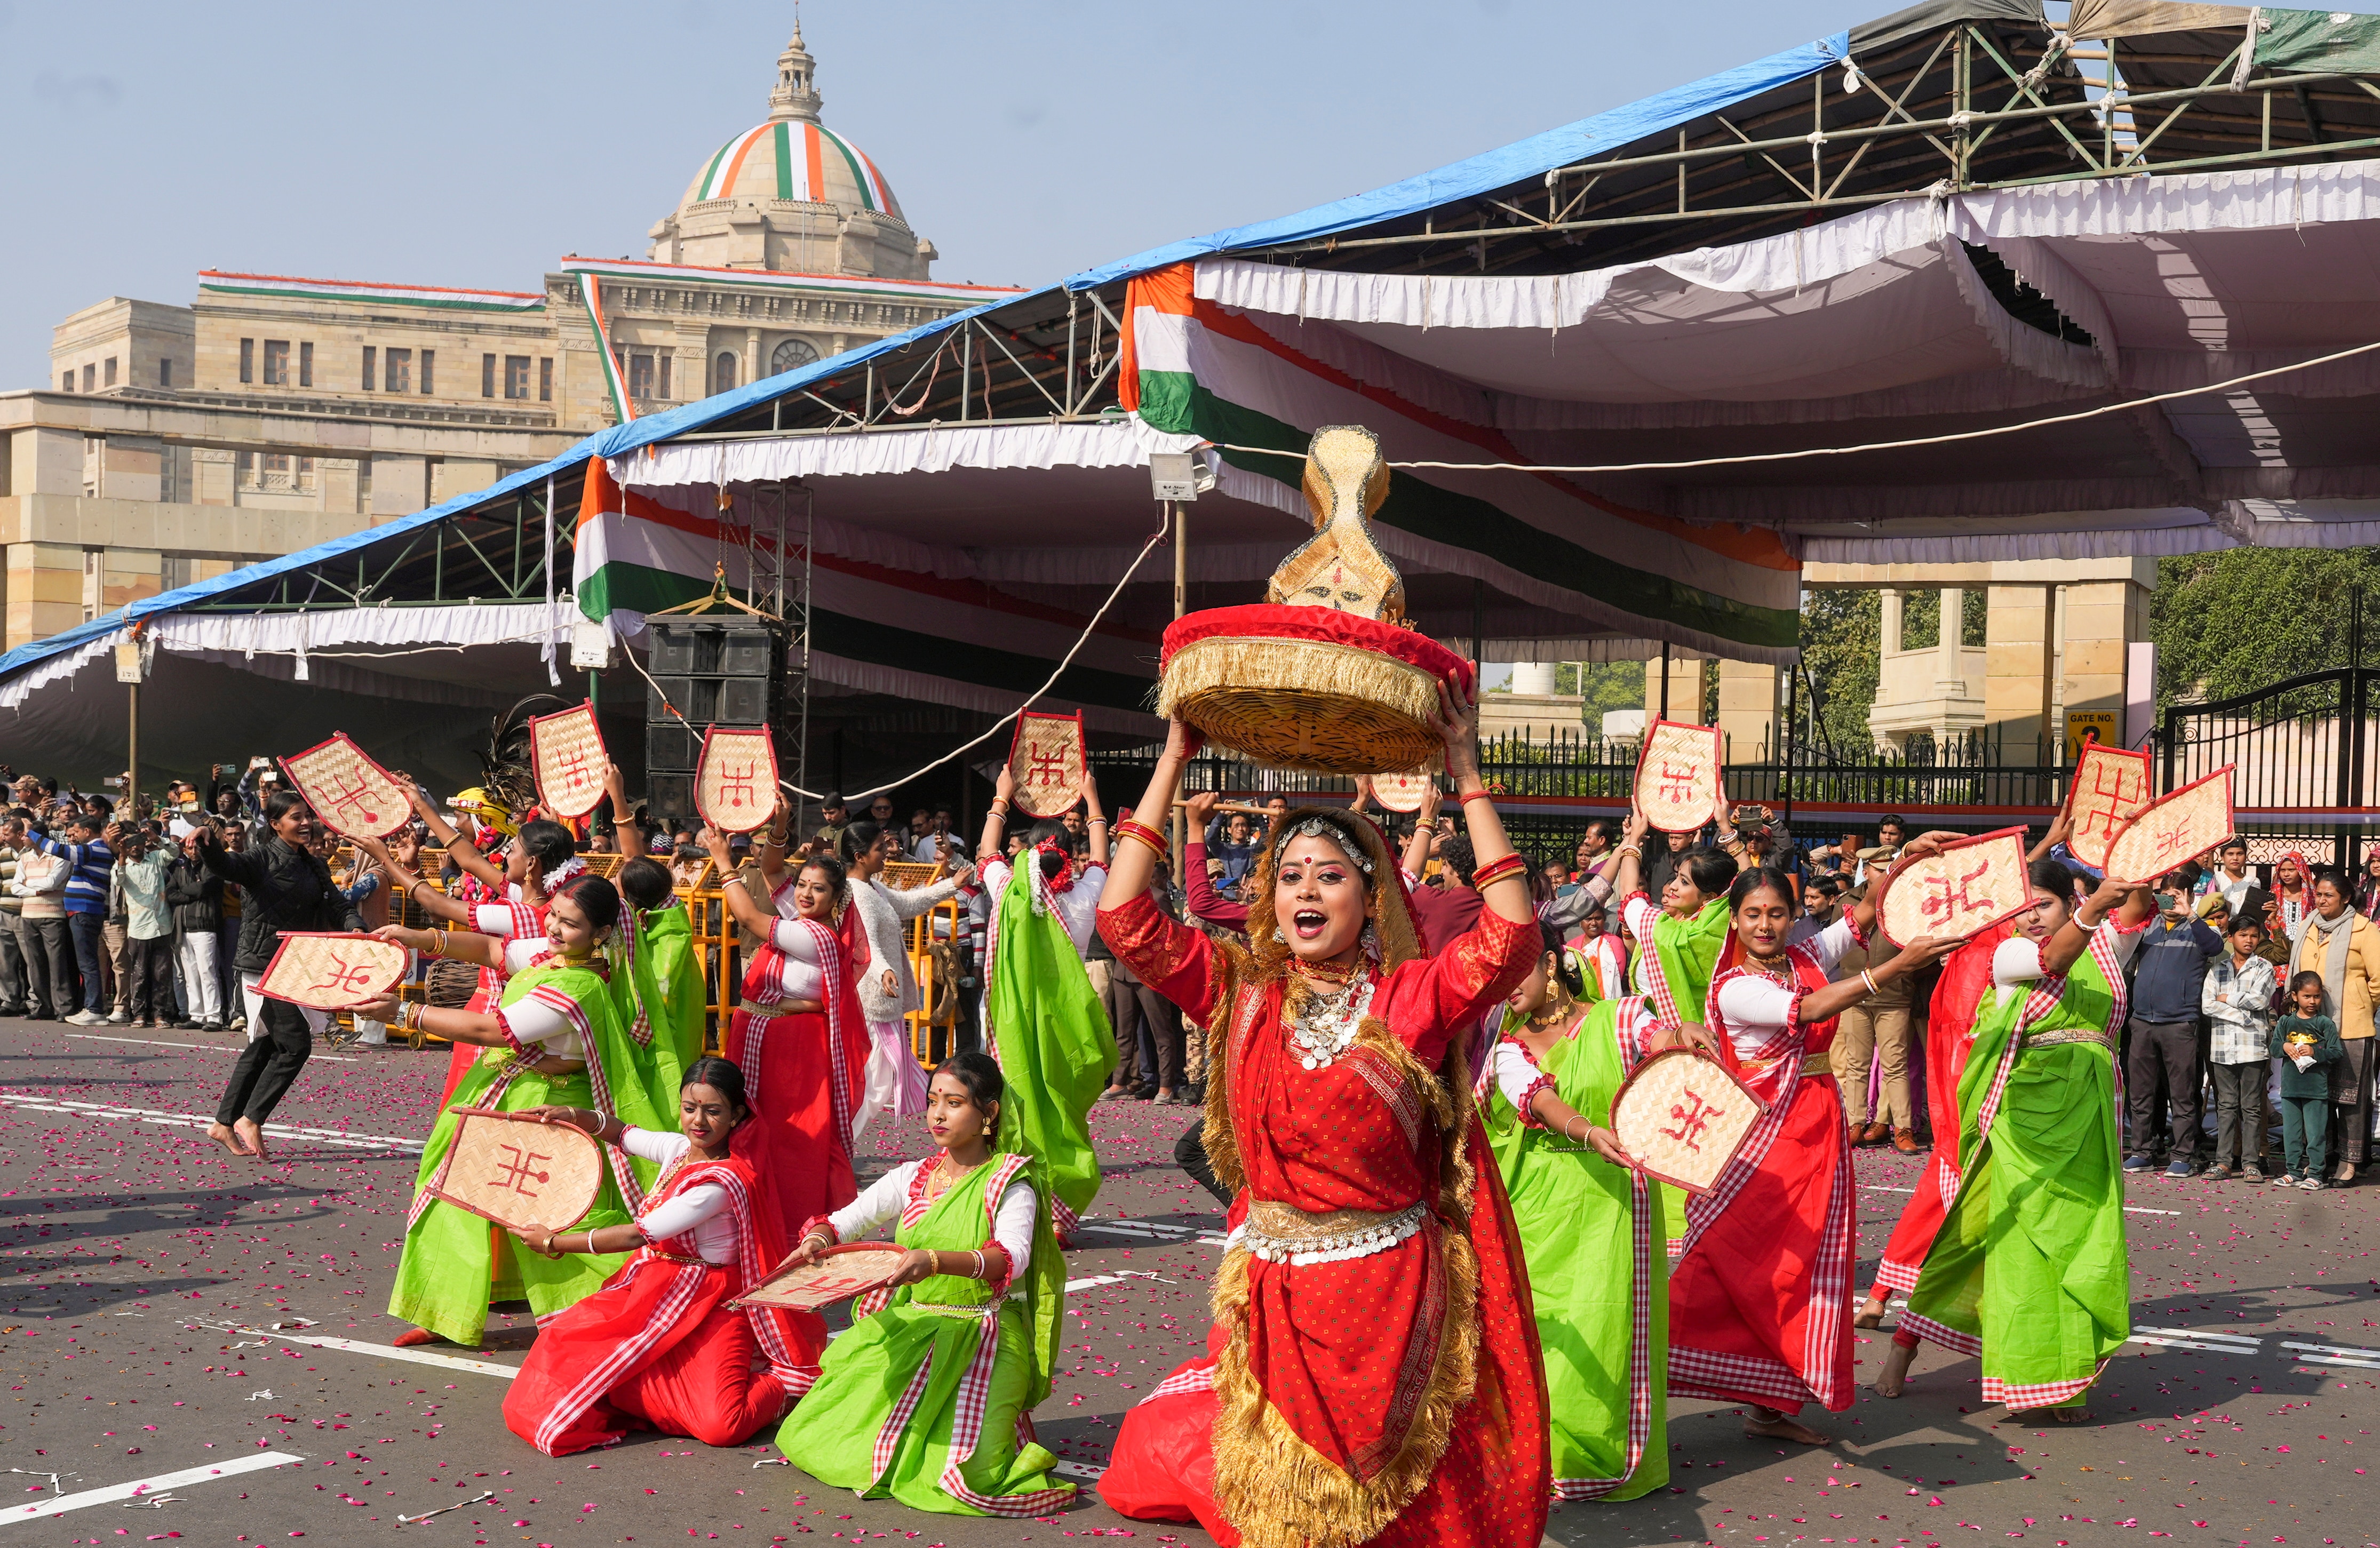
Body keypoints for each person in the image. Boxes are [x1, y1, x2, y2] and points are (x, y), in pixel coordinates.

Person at [1094, 689, 1551, 1548]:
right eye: (1291, 876)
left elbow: (1511, 940)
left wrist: (1466, 772)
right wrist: (1171, 762)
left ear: (1368, 896)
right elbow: (1124, 921)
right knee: (1282, 1503)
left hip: (1390, 1289)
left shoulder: (1407, 1000)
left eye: (1329, 875)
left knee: (1396, 1508)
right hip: (1275, 1288)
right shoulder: (1240, 994)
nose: (1306, 891)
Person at [1668, 857, 1956, 1445]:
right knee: (1759, 1265)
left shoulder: (1802, 958)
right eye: (1752, 914)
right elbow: (1811, 1010)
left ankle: (1769, 1403)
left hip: (1817, 1125)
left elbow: (1866, 914)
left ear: (1793, 915)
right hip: (1767, 1141)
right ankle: (1651, 1361)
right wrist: (1897, 966)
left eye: (1777, 913)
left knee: (1804, 1267)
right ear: (1734, 918)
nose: (1765, 924)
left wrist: (1908, 861)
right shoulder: (1735, 987)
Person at [1897, 864, 2155, 1422]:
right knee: (2005, 1242)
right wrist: (2091, 910)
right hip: (2023, 1118)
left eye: (2044, 904)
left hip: (2087, 1111)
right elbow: (2055, 959)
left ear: (2069, 902)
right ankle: (1904, 1345)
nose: (2031, 915)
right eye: (2023, 907)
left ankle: (2066, 1385)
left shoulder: (2107, 944)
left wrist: (2140, 860)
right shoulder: (2010, 956)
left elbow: (2134, 908)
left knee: (2081, 1241)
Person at [365, 874, 661, 1348]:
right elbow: (493, 952)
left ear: (602, 934)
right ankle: (443, 1311)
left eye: (571, 924)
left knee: (553, 1222)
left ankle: (627, 1304)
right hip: (512, 1095)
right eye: (555, 916)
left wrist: (402, 1014)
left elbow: (493, 1031)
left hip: (549, 1109)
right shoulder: (555, 957)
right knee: (454, 1197)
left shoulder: (579, 983)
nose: (556, 928)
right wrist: (417, 937)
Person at [773, 1050, 1071, 1516]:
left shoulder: (1009, 1181)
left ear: (989, 1113)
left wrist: (934, 1262)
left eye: (954, 1102)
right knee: (818, 1436)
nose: (937, 1114)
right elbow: (850, 1219)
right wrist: (817, 1238)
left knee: (971, 1476)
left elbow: (1011, 1257)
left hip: (983, 1335)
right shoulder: (915, 1176)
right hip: (914, 1325)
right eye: (933, 1100)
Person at [500, 1058, 820, 1454]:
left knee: (723, 1427)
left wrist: (554, 1243)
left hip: (715, 1301)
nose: (698, 1121)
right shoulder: (680, 1149)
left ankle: (785, 1386)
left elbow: (638, 1235)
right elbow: (623, 1133)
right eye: (690, 1108)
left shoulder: (723, 1180)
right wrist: (573, 1114)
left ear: (737, 1115)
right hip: (658, 1287)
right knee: (572, 1351)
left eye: (713, 1111)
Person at [1483, 922, 1683, 1501]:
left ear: (1550, 964)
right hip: (1533, 1198)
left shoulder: (1616, 1019)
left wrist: (1678, 1035)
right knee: (1535, 1327)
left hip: (1611, 1196)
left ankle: (1592, 1454)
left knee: (1604, 1324)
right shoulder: (1503, 1048)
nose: (1505, 988)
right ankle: (1532, 1449)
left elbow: (1657, 1039)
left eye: (1516, 970)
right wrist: (1587, 1130)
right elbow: (1537, 1101)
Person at [704, 830, 870, 1245]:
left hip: (790, 1054)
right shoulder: (799, 921)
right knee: (756, 1131)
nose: (806, 894)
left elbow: (748, 918)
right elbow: (773, 869)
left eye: (819, 890)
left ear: (837, 901)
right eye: (803, 885)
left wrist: (724, 864)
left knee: (788, 1141)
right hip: (765, 1039)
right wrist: (778, 828)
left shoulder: (814, 935)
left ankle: (788, 1226)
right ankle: (755, 1217)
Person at [976, 769, 1115, 1237]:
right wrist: (1093, 800)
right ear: (1067, 858)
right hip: (1069, 1027)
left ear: (1026, 858)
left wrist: (1002, 797)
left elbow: (986, 855)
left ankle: (1013, 1212)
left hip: (1012, 1022)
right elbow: (1102, 861)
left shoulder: (1006, 892)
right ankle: (1056, 1215)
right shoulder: (1083, 899)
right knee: (1061, 1113)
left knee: (1014, 1109)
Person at [192, 794, 367, 1158]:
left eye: (307, 817)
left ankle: (224, 1124)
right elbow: (226, 864)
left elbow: (336, 902)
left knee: (267, 1045)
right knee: (296, 1044)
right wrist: (207, 845)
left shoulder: (313, 864)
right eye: (295, 817)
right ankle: (251, 1118)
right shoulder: (259, 859)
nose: (305, 823)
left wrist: (356, 927)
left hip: (298, 965)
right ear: (274, 824)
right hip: (264, 966)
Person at [841, 816, 972, 1139]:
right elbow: (864, 941)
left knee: (876, 1082)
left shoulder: (872, 887)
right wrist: (883, 969)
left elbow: (908, 904)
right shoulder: (856, 892)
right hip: (871, 1001)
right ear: (860, 857)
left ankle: (840, 1144)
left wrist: (951, 885)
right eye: (879, 848)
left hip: (881, 1001)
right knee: (874, 1082)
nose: (887, 852)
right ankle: (839, 1145)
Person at [2122, 874, 2225, 1177]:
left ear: (2189, 895)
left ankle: (2183, 1154)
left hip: (2180, 1023)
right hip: (2142, 1021)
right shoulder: (2148, 926)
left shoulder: (2202, 927)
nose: (2169, 903)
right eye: (2164, 896)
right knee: (2141, 1093)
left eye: (2175, 896)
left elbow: (2216, 947)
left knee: (2182, 1094)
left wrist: (2190, 914)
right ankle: (2143, 1151)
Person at [2288, 868, 2380, 1186]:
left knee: (2350, 1099)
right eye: (2318, 894)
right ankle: (2319, 1159)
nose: (2322, 900)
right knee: (2317, 1097)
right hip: (2310, 1026)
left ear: (2345, 898)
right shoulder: (2308, 925)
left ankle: (2349, 1161)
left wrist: (2358, 1004)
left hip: (2351, 1027)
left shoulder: (2363, 929)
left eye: (2329, 895)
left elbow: (2378, 980)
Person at [2203, 913, 2279, 1182]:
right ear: (2231, 937)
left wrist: (2226, 999)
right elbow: (2207, 1005)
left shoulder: (2264, 968)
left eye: (2254, 935)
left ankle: (2251, 1163)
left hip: (2252, 1047)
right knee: (2225, 1105)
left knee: (2251, 1107)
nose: (2249, 940)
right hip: (2222, 1046)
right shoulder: (2217, 969)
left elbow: (2259, 1001)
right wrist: (2241, 1013)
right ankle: (2223, 1163)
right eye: (2243, 935)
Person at [29, 811, 115, 1025]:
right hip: (82, 912)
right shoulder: (94, 850)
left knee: (88, 963)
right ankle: (92, 1006)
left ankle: (95, 1009)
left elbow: (58, 850)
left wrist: (31, 832)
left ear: (87, 831)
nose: (73, 836)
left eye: (76, 832)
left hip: (85, 911)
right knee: (87, 962)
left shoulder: (93, 849)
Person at [2271, 972, 2346, 1189]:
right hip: (2291, 1089)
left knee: (2315, 1135)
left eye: (2317, 997)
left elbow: (2336, 1052)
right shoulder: (2286, 1022)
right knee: (2292, 1134)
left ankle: (2315, 1173)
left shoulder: (2325, 1023)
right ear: (2295, 996)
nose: (2312, 1002)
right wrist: (2285, 1046)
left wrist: (2315, 1051)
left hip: (2316, 1089)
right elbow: (2274, 1048)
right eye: (2307, 996)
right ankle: (2293, 1171)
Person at [114, 827, 177, 1028]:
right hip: (139, 927)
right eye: (129, 843)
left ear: (144, 842)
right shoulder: (121, 864)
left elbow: (174, 852)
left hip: (162, 925)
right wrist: (122, 856)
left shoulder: (156, 858)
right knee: (139, 974)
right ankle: (139, 1014)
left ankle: (160, 1014)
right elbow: (118, 880)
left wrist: (156, 839)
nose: (134, 847)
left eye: (138, 841)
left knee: (162, 974)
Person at [163, 828, 226, 1030]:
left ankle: (214, 1016)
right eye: (189, 848)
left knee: (207, 972)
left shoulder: (212, 868)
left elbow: (204, 889)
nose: (193, 851)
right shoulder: (180, 870)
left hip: (205, 927)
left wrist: (185, 892)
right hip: (184, 929)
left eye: (196, 847)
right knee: (190, 975)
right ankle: (197, 1015)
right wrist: (190, 894)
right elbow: (170, 894)